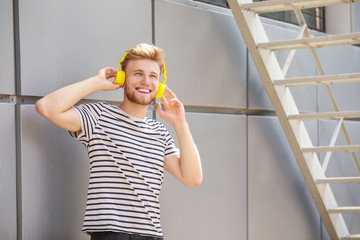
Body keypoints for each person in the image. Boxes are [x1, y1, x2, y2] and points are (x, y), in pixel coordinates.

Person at [35, 43, 203, 240]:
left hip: (151, 235)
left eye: (153, 76)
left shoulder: (160, 133)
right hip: (111, 234)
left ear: (160, 86)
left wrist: (180, 123)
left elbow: (192, 178)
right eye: (138, 73)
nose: (146, 81)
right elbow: (46, 107)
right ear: (123, 78)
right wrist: (96, 83)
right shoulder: (99, 116)